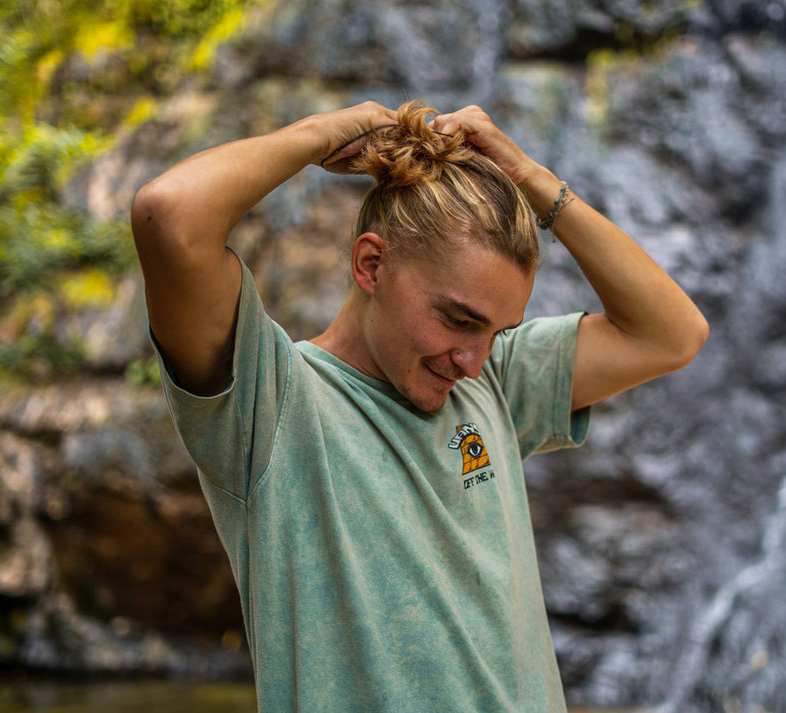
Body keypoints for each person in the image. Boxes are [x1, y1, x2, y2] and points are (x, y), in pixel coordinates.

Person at [130, 99, 708, 712]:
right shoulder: (268, 403)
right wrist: (320, 132)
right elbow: (169, 216)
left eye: (496, 331)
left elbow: (672, 334)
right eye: (458, 320)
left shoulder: (494, 384)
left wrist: (532, 179)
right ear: (371, 264)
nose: (473, 358)